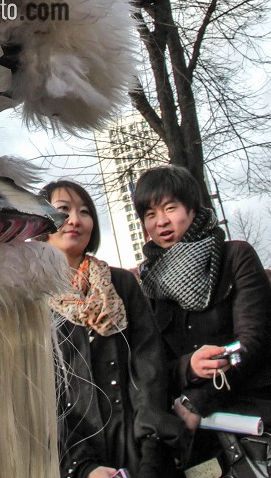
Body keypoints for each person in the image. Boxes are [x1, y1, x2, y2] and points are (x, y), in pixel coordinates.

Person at [134, 166, 271, 472]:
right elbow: (153, 368)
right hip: (200, 442)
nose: (161, 222)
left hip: (258, 422)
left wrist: (196, 399)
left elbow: (252, 340)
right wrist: (189, 366)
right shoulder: (147, 286)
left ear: (193, 209)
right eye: (149, 214)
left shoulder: (235, 256)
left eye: (170, 208)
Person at [41, 179, 186, 478]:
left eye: (84, 211)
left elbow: (148, 368)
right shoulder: (30, 297)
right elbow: (37, 392)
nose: (75, 220)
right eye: (63, 210)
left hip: (139, 449)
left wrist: (151, 450)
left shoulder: (120, 284)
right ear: (40, 221)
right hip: (73, 457)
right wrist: (81, 468)